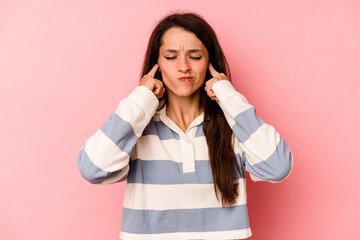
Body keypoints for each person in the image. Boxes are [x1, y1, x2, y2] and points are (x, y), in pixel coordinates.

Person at [77, 11, 293, 240]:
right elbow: (93, 168)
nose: (183, 67)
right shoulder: (137, 126)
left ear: (210, 62)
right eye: (170, 57)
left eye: (195, 56)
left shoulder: (233, 125)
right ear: (157, 64)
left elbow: (277, 167)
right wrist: (140, 98)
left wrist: (229, 97)